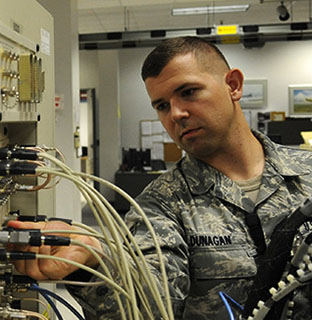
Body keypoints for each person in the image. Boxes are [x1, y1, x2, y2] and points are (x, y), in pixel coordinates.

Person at [7, 36, 312, 319]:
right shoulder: (161, 204)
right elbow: (150, 301)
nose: (176, 114)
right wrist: (92, 263)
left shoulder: (307, 172)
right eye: (162, 106)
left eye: (188, 92)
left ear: (233, 85)